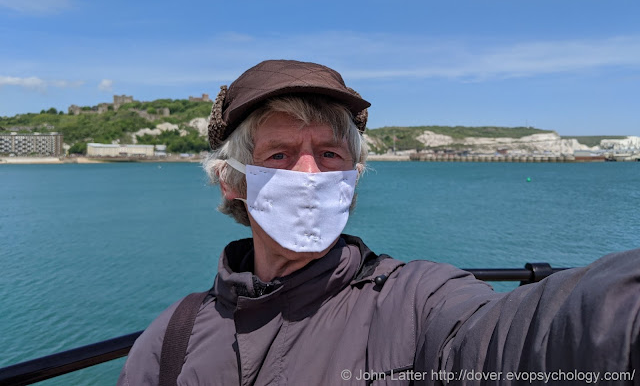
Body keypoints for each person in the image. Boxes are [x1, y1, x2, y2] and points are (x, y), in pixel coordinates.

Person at [118, 60, 640, 386]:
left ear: (354, 178)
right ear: (232, 182)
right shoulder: (173, 337)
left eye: (329, 153)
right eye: (278, 155)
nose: (309, 172)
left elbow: (524, 337)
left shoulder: (417, 300)